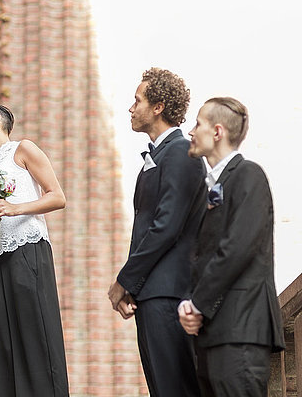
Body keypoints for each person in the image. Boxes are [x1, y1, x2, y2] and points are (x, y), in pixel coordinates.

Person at [107, 68, 206, 397]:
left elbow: (166, 227)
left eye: (137, 100)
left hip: (170, 294)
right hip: (152, 292)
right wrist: (135, 287)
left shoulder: (181, 152)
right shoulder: (162, 153)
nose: (131, 108)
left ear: (159, 106)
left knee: (174, 388)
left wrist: (124, 281)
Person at [179, 97, 285, 396]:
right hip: (213, 334)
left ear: (217, 132)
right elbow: (204, 256)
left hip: (241, 332)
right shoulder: (213, 185)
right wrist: (191, 303)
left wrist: (196, 304)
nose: (191, 131)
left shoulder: (249, 175)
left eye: (197, 123)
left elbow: (237, 248)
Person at [0, 104, 69, 397]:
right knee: (5, 343)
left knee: (36, 337)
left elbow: (57, 197)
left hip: (29, 253)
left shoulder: (23, 149)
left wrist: (15, 208)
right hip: (0, 264)